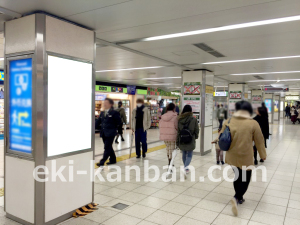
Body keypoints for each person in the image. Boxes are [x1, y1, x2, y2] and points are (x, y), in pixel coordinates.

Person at [220, 101, 266, 216]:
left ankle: (239, 197)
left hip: (232, 155)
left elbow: (222, 135)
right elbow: (260, 141)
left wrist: (216, 142)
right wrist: (262, 155)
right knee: (245, 177)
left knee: (237, 176)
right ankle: (237, 197)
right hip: (245, 156)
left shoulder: (229, 121)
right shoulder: (252, 123)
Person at [96, 98, 122, 167]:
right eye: (104, 102)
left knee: (107, 147)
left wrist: (114, 128)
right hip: (104, 133)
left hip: (111, 133)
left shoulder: (114, 113)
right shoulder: (102, 113)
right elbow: (98, 122)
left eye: (106, 102)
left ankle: (102, 162)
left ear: (111, 104)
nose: (105, 104)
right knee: (109, 147)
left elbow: (119, 122)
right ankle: (113, 159)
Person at [177, 105, 199, 175]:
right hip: (190, 138)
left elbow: (178, 131)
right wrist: (195, 136)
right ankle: (186, 168)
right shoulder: (193, 119)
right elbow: (196, 130)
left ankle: (185, 167)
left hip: (182, 138)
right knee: (189, 154)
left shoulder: (179, 119)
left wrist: (178, 140)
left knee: (184, 153)